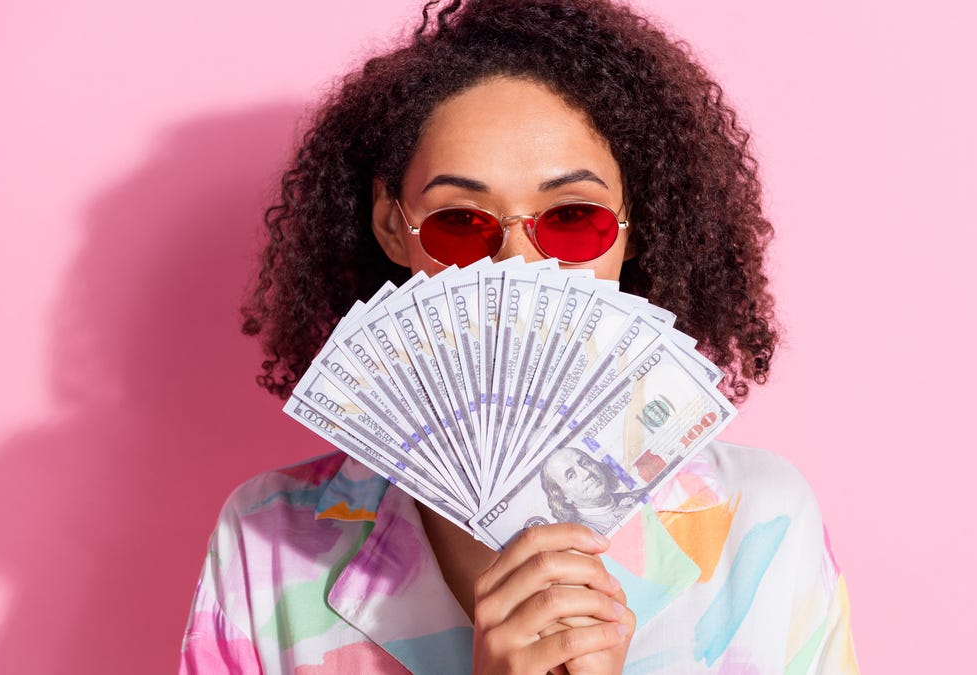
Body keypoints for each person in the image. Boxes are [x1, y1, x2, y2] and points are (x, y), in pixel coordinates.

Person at [180, 1, 859, 673]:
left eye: (572, 218)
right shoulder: (267, 542)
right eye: (460, 223)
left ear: (634, 225)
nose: (518, 269)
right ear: (393, 226)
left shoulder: (761, 525)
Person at [540, 447, 646, 535]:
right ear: (564, 497)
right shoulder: (583, 538)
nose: (586, 473)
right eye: (571, 476)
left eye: (585, 463)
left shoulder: (643, 495)